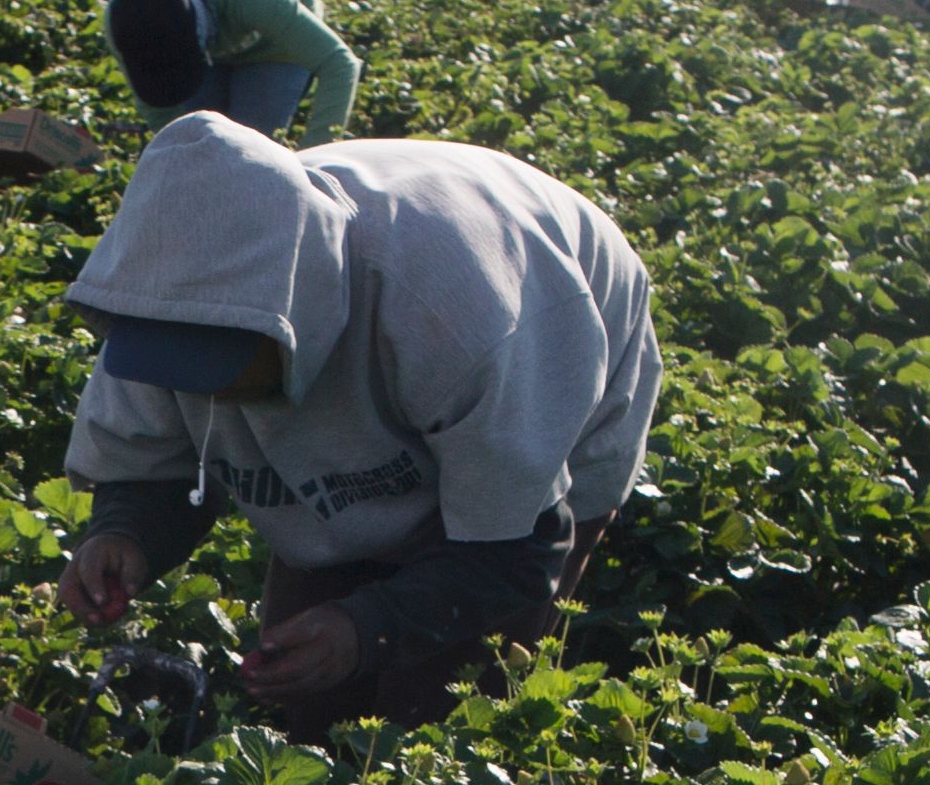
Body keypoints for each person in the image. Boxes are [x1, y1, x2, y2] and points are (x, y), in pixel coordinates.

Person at [49, 112, 660, 731]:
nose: (194, 389)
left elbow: (517, 551)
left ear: (288, 312)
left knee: (444, 712)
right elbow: (153, 458)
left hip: (554, 342)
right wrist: (126, 533)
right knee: (304, 699)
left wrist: (369, 627)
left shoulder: (459, 319)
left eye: (217, 363)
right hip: (434, 355)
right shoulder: (156, 304)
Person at [106, 0, 361, 142]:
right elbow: (161, 113)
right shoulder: (125, 16)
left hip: (274, 42)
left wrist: (315, 164)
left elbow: (338, 63)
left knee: (250, 146)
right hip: (210, 21)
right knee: (203, 139)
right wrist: (178, 154)